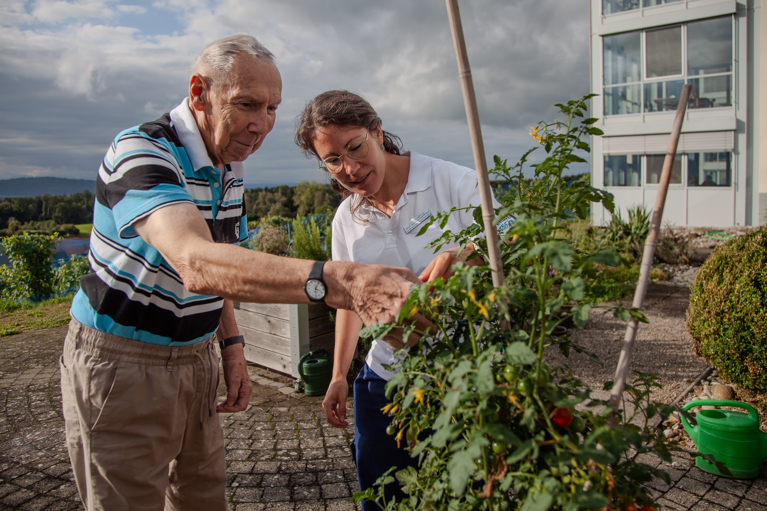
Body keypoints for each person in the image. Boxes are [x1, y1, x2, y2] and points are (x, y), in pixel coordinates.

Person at [61, 37, 426, 511]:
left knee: (202, 498)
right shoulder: (142, 151)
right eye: (247, 104)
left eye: (272, 107)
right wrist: (343, 281)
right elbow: (196, 261)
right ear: (199, 93)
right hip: (124, 364)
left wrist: (231, 347)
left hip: (196, 358)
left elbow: (223, 262)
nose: (262, 125)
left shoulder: (228, 165)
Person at [295, 90, 496, 510]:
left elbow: (510, 238)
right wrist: (338, 374)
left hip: (459, 379)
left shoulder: (451, 181)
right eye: (333, 160)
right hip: (384, 382)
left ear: (377, 132)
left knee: (463, 497)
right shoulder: (347, 218)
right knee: (383, 496)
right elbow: (351, 300)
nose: (349, 168)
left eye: (355, 148)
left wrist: (463, 254)